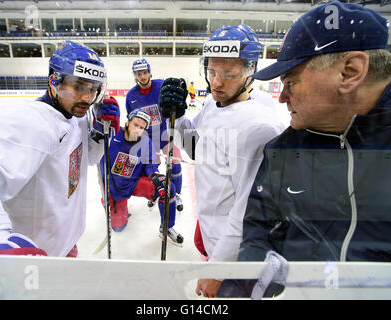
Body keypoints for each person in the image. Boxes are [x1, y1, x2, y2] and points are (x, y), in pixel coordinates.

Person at [218, 1, 391, 298]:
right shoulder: (282, 150)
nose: (282, 97)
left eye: (291, 82)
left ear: (350, 72)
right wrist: (238, 288)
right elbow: (260, 234)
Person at [158, 24, 286, 297]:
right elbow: (194, 149)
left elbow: (250, 211)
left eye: (229, 74)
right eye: (212, 71)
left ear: (250, 70)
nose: (216, 82)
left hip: (237, 257)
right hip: (213, 230)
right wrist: (177, 117)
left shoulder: (257, 127)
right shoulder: (214, 102)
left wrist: (218, 269)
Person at [0, 40, 120, 257]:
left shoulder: (76, 117)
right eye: (78, 86)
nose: (87, 98)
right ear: (54, 81)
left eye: (92, 89)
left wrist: (99, 136)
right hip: (35, 259)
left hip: (65, 243)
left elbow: (85, 159)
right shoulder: (28, 121)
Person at [99, 108, 183, 245]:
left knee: (168, 188)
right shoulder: (112, 133)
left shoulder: (145, 142)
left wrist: (155, 176)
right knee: (118, 227)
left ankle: (167, 227)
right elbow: (95, 138)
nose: (138, 129)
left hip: (134, 182)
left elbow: (150, 165)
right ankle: (119, 208)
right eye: (135, 125)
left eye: (142, 127)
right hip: (113, 187)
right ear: (127, 122)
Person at [125, 58, 184, 212]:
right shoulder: (131, 96)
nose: (142, 76)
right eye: (139, 74)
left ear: (150, 72)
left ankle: (176, 194)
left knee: (175, 165)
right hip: (148, 142)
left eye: (145, 72)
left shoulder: (161, 86)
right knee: (153, 171)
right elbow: (131, 120)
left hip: (166, 136)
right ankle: (156, 193)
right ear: (135, 76)